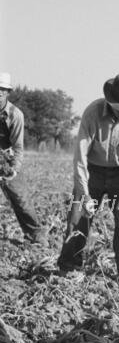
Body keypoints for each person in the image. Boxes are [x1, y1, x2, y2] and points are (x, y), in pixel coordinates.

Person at [57, 73, 119, 287]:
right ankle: (68, 267)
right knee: (78, 215)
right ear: (111, 102)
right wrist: (84, 193)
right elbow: (80, 157)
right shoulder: (92, 113)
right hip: (94, 171)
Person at [0, 72, 47, 245]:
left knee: (20, 199)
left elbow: (18, 147)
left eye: (2, 90)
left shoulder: (15, 115)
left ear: (7, 92)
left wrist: (13, 170)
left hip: (7, 159)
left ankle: (36, 235)